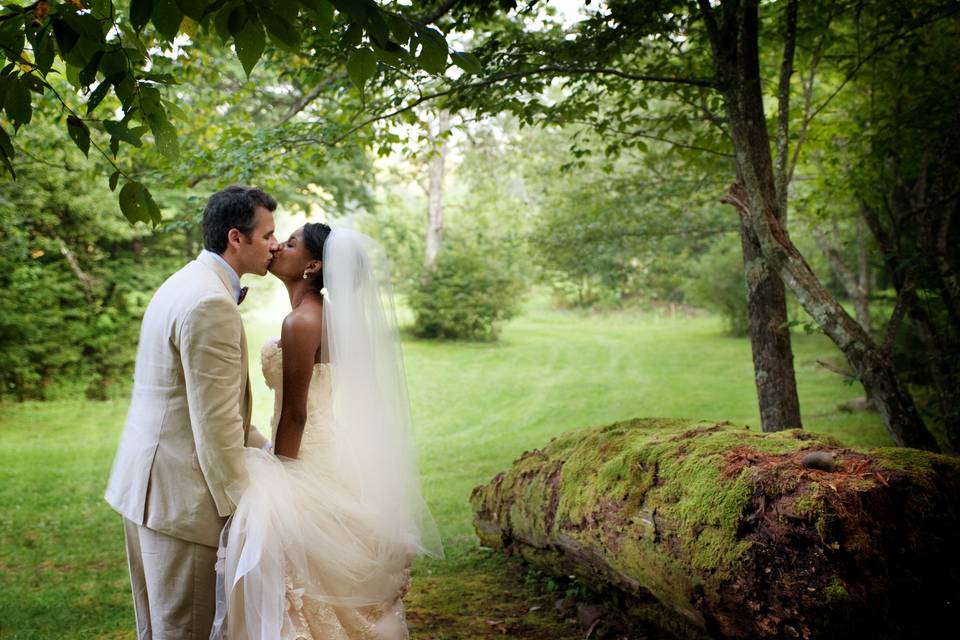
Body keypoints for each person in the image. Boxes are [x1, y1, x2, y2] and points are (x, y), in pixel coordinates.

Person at [210, 224, 442, 640]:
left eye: (292, 243)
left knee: (297, 572)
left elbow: (296, 413)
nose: (279, 245)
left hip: (303, 455)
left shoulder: (301, 321)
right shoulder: (324, 315)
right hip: (324, 447)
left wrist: (282, 476)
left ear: (312, 265)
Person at [105, 186, 280, 639]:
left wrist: (273, 453)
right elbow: (217, 427)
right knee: (186, 631)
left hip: (147, 490)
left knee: (157, 629)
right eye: (267, 235)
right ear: (235, 238)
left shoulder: (183, 281)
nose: (275, 245)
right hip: (183, 504)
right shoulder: (211, 304)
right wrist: (246, 508)